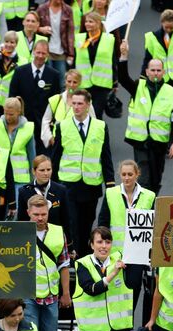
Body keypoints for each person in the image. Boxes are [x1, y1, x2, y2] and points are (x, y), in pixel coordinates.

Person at [52, 89, 114, 257]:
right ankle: (74, 256)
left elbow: (105, 155)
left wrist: (110, 183)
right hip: (68, 184)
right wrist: (52, 184)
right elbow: (56, 156)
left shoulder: (100, 126)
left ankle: (86, 258)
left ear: (88, 105)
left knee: (87, 223)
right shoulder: (62, 126)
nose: (76, 107)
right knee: (71, 222)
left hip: (91, 184)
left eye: (80, 104)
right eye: (74, 103)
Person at [118, 39, 173, 195]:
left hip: (159, 143)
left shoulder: (171, 91)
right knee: (144, 177)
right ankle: (143, 211)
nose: (155, 73)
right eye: (152, 70)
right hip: (140, 141)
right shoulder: (137, 86)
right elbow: (122, 78)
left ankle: (151, 206)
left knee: (155, 178)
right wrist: (123, 57)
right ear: (146, 72)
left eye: (159, 70)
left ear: (164, 73)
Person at [97, 159, 155, 325]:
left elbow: (154, 225)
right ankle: (118, 324)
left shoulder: (149, 196)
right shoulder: (111, 193)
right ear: (119, 175)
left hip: (138, 254)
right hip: (115, 254)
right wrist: (102, 247)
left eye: (130, 174)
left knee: (133, 287)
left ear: (137, 174)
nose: (127, 178)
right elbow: (103, 222)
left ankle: (128, 325)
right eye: (123, 174)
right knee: (115, 289)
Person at [73, 227, 132, 331]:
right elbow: (92, 289)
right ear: (92, 244)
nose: (104, 246)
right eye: (100, 242)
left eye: (108, 242)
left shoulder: (120, 259)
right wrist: (113, 274)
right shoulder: (82, 264)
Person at [24, 194, 70, 331]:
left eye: (43, 214)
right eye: (36, 214)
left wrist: (66, 294)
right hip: (27, 295)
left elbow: (64, 264)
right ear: (28, 212)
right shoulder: (18, 233)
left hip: (51, 295)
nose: (40, 218)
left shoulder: (58, 232)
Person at [9, 39, 61, 153]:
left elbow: (56, 101)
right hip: (23, 120)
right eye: (38, 52)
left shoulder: (54, 75)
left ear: (47, 55)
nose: (40, 56)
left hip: (43, 122)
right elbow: (12, 95)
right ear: (33, 52)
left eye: (43, 53)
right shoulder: (19, 72)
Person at [75, 12, 117, 120]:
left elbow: (113, 61)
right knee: (84, 114)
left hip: (102, 84)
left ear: (98, 23)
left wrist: (115, 82)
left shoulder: (109, 39)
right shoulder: (79, 39)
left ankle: (99, 136)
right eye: (86, 22)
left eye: (91, 21)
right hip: (84, 83)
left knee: (97, 115)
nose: (87, 24)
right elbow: (75, 60)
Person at [40, 69, 96, 150]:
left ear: (79, 83)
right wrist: (49, 137)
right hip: (57, 143)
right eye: (69, 81)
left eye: (75, 82)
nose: (71, 85)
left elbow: (93, 121)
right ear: (65, 81)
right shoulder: (56, 99)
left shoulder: (86, 101)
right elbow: (46, 120)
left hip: (77, 144)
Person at [17, 155, 70, 236]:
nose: (46, 173)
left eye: (49, 169)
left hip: (55, 237)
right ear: (34, 171)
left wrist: (69, 245)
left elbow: (66, 219)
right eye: (42, 170)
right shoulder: (24, 191)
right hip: (32, 237)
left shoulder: (61, 190)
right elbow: (22, 221)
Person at [0, 97, 36, 197]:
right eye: (6, 113)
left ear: (19, 112)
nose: (8, 117)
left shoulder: (28, 128)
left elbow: (32, 156)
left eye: (11, 114)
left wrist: (33, 179)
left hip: (20, 179)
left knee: (17, 210)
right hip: (0, 178)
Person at [142, 9, 173, 89]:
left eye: (171, 28)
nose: (169, 30)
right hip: (157, 77)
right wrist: (142, 78)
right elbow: (147, 59)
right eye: (166, 27)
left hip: (172, 79)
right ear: (162, 22)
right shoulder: (151, 37)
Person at [36, 0, 74, 90]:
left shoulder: (68, 10)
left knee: (62, 83)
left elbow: (70, 33)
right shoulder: (42, 9)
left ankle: (61, 103)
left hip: (61, 52)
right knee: (46, 83)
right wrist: (40, 29)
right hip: (45, 51)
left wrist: (71, 54)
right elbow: (33, 25)